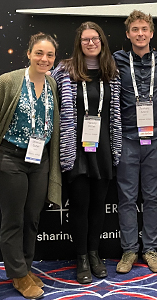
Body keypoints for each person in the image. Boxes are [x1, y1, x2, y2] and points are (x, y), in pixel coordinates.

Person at [0, 32, 61, 299]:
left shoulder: (52, 84)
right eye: (39, 53)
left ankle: (25, 267)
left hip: (39, 159)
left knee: (32, 218)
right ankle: (18, 276)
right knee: (14, 219)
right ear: (29, 54)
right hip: (10, 158)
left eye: (50, 55)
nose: (44, 59)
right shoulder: (8, 81)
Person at [51, 22, 121, 284]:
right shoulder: (64, 71)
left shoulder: (111, 72)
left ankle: (94, 254)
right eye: (85, 40)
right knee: (79, 206)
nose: (91, 43)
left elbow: (116, 113)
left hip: (102, 147)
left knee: (98, 206)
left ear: (102, 41)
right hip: (76, 149)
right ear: (78, 44)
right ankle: (80, 257)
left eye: (95, 39)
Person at [113, 10, 157, 274]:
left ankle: (150, 248)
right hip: (127, 139)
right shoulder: (116, 60)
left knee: (151, 197)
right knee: (126, 197)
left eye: (144, 29)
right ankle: (128, 250)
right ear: (128, 34)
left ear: (151, 33)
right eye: (134, 29)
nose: (140, 34)